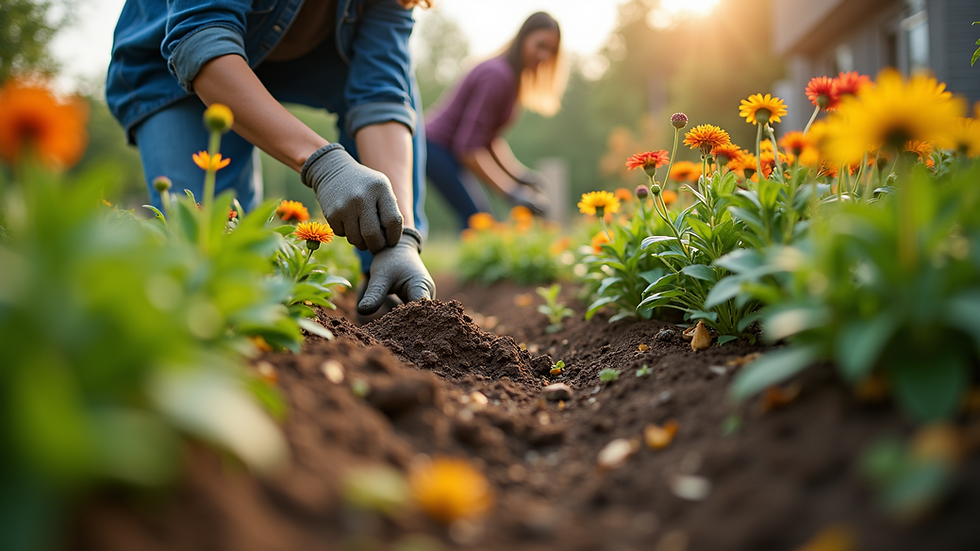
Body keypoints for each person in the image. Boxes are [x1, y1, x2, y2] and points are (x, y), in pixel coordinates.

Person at [105, 0, 435, 317]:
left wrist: (401, 238)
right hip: (177, 59)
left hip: (321, 63)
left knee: (400, 95)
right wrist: (324, 164)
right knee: (211, 259)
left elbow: (381, 92)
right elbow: (201, 38)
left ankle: (384, 290)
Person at [424, 11, 566, 229]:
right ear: (523, 38)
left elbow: (489, 140)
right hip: (435, 147)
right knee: (479, 221)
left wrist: (520, 176)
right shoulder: (497, 75)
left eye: (551, 51)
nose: (544, 56)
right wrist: (512, 193)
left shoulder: (511, 77)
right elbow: (468, 149)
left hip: (448, 151)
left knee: (481, 220)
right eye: (540, 45)